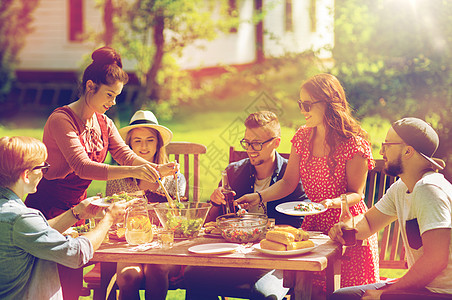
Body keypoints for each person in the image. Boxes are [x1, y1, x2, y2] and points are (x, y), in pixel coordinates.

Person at [24, 46, 177, 299]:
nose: (113, 102)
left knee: (73, 281)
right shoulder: (61, 119)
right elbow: (82, 166)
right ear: (90, 86)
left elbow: (124, 154)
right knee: (56, 287)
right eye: (109, 94)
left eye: (117, 95)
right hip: (50, 211)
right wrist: (136, 168)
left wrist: (154, 168)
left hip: (80, 210)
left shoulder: (104, 122)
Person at [236, 74, 380, 295]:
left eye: (308, 104)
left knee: (343, 295)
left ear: (330, 103)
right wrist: (259, 196)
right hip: (312, 228)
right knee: (309, 293)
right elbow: (288, 182)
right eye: (300, 103)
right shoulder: (302, 137)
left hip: (347, 228)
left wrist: (332, 202)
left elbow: (357, 194)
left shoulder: (354, 144)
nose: (303, 110)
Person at [184, 111, 309, 300]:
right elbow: (210, 224)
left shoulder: (291, 176)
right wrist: (215, 202)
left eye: (257, 143)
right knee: (195, 277)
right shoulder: (234, 172)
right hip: (238, 258)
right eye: (247, 142)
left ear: (276, 143)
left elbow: (300, 223)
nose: (251, 149)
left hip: (276, 261)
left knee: (263, 294)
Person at [329, 117, 451, 300]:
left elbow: (436, 260)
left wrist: (385, 294)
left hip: (441, 293)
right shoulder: (402, 187)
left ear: (408, 151)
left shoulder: (429, 189)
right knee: (342, 296)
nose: (381, 151)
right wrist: (347, 226)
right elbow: (369, 223)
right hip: (425, 288)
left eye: (387, 145)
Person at [0, 136, 128, 300]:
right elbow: (76, 254)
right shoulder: (20, 218)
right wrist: (109, 219)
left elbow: (37, 234)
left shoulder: (10, 212)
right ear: (26, 175)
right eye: (41, 168)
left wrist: (77, 213)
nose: (43, 174)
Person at [106, 110, 186, 300]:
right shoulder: (118, 178)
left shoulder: (174, 179)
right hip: (128, 245)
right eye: (137, 141)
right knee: (129, 275)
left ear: (158, 143)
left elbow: (178, 219)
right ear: (128, 145)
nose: (143, 146)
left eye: (150, 140)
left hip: (164, 247)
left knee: (155, 268)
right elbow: (111, 218)